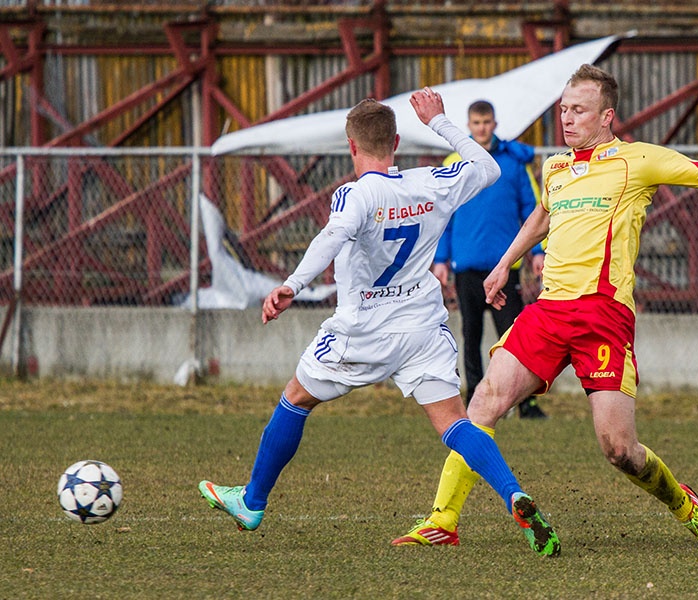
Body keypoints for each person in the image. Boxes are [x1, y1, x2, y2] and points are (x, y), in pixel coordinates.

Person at [392, 64, 698, 548]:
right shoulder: (557, 166)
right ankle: (443, 520)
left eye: (578, 110)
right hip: (548, 310)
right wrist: (506, 264)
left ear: (606, 116)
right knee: (482, 401)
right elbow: (542, 216)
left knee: (620, 449)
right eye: (563, 109)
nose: (566, 119)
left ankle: (682, 502)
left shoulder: (637, 160)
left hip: (604, 318)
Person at [198, 89, 560, 557]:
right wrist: (440, 122)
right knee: (454, 422)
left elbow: (333, 236)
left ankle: (252, 501)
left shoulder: (354, 193)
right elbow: (488, 168)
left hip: (362, 330)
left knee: (294, 399)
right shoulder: (430, 181)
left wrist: (293, 284)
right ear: (395, 142)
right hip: (423, 327)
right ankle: (513, 492)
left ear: (352, 147)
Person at [433, 100, 547, 419]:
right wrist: (441, 258)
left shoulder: (513, 164)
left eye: (486, 122)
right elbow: (444, 216)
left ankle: (526, 401)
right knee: (470, 336)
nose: (482, 128)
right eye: (476, 123)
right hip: (466, 267)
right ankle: (473, 400)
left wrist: (538, 252)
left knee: (513, 337)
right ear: (468, 126)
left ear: (495, 124)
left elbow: (535, 210)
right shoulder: (455, 162)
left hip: (504, 269)